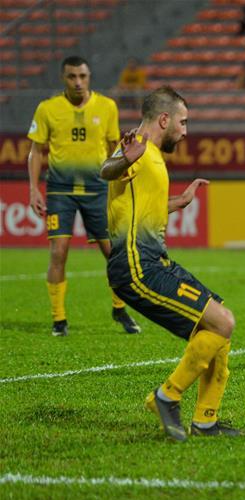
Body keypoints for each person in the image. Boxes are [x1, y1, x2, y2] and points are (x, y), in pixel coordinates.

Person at [99, 86, 242, 439]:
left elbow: (141, 209)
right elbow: (106, 170)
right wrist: (125, 158)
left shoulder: (153, 158)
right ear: (164, 119)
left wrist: (179, 202)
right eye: (183, 122)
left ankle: (206, 420)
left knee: (218, 322)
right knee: (222, 322)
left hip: (154, 260)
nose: (185, 131)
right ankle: (167, 396)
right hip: (135, 264)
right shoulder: (136, 147)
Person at [27, 56, 140, 337]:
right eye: (72, 77)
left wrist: (121, 177)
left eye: (82, 76)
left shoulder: (107, 106)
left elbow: (115, 147)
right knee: (59, 252)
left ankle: (119, 308)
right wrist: (32, 188)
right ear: (63, 78)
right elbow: (36, 151)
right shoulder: (47, 109)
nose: (78, 82)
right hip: (60, 191)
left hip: (98, 189)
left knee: (111, 253)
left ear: (89, 77)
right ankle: (59, 320)